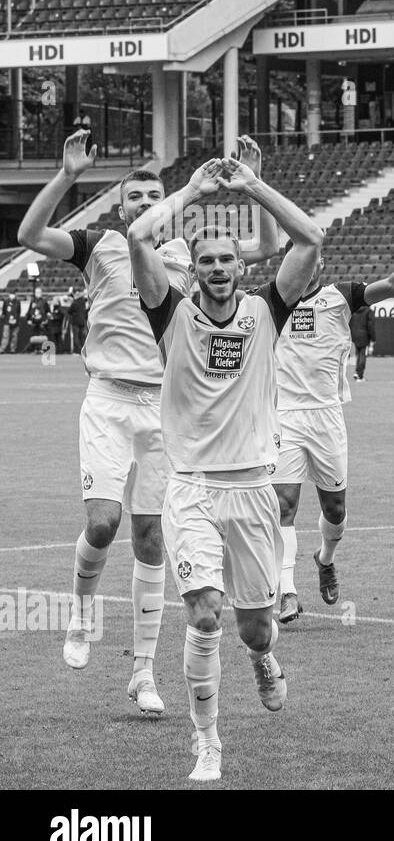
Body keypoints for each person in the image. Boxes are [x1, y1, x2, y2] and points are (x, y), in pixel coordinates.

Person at [15, 131, 277, 716]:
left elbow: (262, 248)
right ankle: (81, 617)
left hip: (164, 409)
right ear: (123, 205)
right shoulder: (102, 245)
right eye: (135, 197)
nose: (143, 204)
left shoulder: (192, 256)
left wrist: (255, 185)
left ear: (170, 202)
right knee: (105, 523)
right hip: (108, 398)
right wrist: (64, 176)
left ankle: (142, 672)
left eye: (152, 194)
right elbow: (28, 236)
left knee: (152, 535)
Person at [129, 154, 325, 782]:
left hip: (253, 490)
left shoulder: (267, 311)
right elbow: (139, 236)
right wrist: (191, 188)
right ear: (193, 268)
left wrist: (251, 185)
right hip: (191, 489)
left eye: (225, 260)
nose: (216, 269)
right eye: (205, 260)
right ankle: (207, 741)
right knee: (205, 611)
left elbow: (310, 238)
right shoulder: (171, 313)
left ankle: (264, 658)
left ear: (243, 266)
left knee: (257, 628)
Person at [273, 248, 394, 624]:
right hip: (283, 417)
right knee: (282, 506)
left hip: (326, 416)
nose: (303, 268)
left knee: (335, 510)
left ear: (320, 265)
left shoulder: (341, 295)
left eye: (309, 261)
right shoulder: (271, 301)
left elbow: (391, 286)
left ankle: (325, 559)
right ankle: (286, 591)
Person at [349, 302, 376, 381]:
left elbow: (350, 323)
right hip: (364, 336)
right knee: (363, 356)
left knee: (359, 355)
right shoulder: (368, 311)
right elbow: (371, 326)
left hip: (354, 336)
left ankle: (357, 372)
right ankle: (359, 375)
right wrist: (373, 339)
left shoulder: (354, 311)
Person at [67, 287, 88, 354]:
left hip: (75, 322)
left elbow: (69, 311)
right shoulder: (83, 301)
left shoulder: (75, 302)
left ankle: (78, 351)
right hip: (82, 321)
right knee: (82, 337)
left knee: (76, 337)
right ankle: (84, 351)